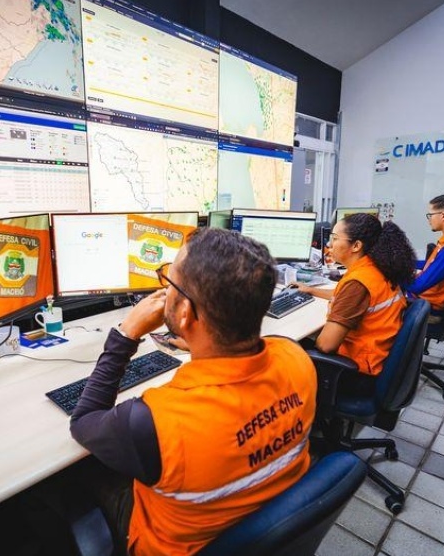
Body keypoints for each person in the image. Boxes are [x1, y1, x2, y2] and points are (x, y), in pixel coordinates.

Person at [69, 228, 317, 555]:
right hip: (262, 515)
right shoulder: (296, 358)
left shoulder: (158, 422)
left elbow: (83, 421)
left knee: (67, 479)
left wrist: (126, 334)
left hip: (169, 543)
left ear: (185, 312)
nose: (164, 289)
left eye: (169, 282)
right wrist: (200, 341)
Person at [294, 213, 416, 394]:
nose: (329, 245)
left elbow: (326, 345)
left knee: (289, 347)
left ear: (356, 246)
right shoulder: (375, 269)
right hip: (376, 359)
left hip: (355, 372)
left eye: (335, 238)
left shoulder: (358, 283)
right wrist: (311, 290)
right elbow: (343, 297)